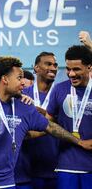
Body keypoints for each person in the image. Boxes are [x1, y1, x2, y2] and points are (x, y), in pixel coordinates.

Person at [0, 56, 92, 189]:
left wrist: (79, 142)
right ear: (5, 79)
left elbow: (50, 126)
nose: (23, 82)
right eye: (19, 78)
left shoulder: (24, 105)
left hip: (6, 181)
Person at [46, 45, 92, 189]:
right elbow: (48, 123)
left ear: (89, 67)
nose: (71, 74)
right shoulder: (59, 89)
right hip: (66, 166)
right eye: (68, 69)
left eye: (76, 69)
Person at [15, 52, 59, 189]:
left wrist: (43, 112)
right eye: (48, 63)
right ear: (36, 68)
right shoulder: (21, 95)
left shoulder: (62, 93)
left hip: (56, 167)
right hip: (27, 171)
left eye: (55, 65)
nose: (53, 67)